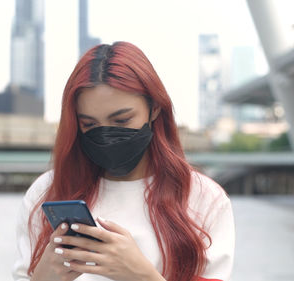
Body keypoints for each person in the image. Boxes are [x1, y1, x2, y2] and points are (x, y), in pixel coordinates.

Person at [12, 41, 235, 281]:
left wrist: (142, 275)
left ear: (155, 108)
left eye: (122, 121)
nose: (106, 135)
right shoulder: (46, 192)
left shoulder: (203, 198)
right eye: (90, 124)